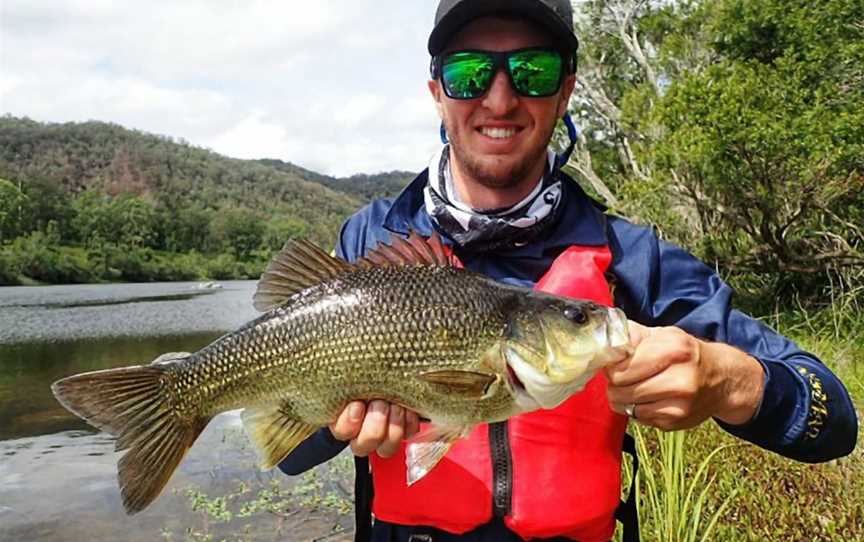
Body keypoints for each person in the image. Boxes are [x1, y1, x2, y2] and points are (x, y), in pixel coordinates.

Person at [279, 1, 859, 541]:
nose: (500, 100)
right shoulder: (371, 241)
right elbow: (287, 452)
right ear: (437, 92)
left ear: (565, 92)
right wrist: (335, 422)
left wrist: (731, 381)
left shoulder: (629, 257)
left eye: (532, 70)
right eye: (469, 73)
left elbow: (835, 422)